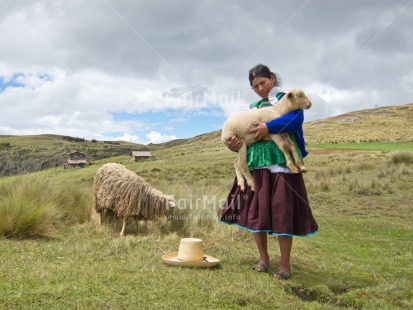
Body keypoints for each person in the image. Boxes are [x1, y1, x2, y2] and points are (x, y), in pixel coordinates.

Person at [220, 64, 318, 280]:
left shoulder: (288, 99)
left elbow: (295, 120)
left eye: (263, 83)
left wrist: (268, 128)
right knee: (258, 212)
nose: (260, 89)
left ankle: (284, 265)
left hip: (282, 164)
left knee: (283, 211)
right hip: (257, 165)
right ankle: (263, 259)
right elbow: (241, 137)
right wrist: (234, 144)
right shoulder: (252, 108)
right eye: (255, 86)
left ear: (272, 79)